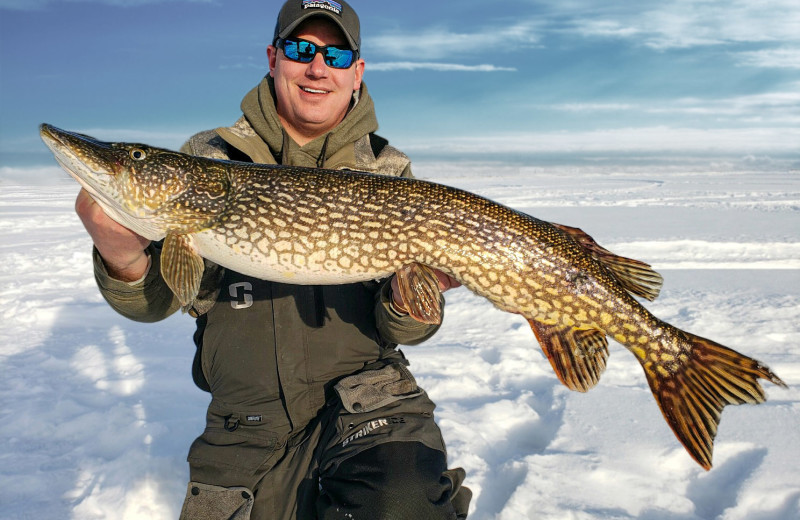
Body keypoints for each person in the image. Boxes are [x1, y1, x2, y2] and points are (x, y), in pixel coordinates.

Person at [74, 1, 472, 518]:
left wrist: (409, 302)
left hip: (371, 405)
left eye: (336, 54)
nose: (316, 67)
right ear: (273, 57)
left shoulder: (386, 170)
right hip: (245, 426)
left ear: (357, 71)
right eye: (300, 49)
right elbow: (157, 302)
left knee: (404, 503)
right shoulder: (210, 159)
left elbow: (405, 329)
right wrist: (122, 258)